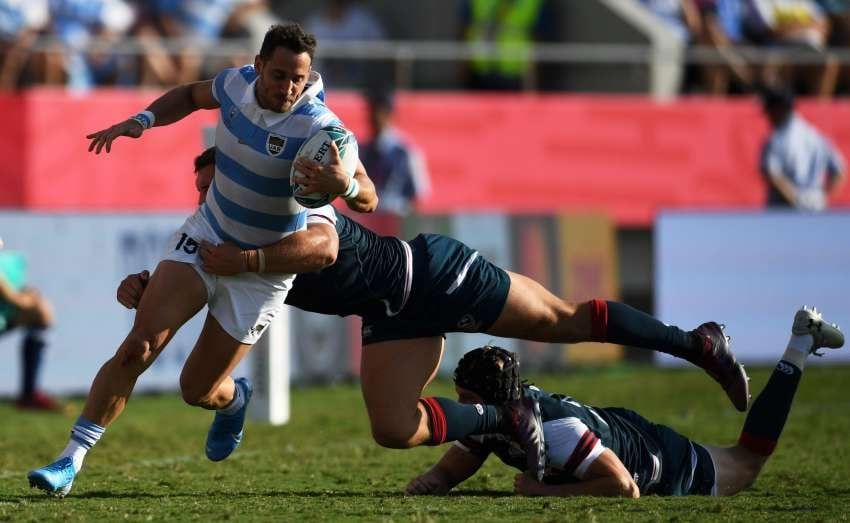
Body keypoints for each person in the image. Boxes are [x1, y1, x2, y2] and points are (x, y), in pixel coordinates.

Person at [117, 145, 751, 486]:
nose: (207, 197)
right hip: (391, 316)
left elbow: (358, 198)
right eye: (200, 190)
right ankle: (507, 417)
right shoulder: (211, 236)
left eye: (214, 184)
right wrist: (145, 289)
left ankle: (695, 343)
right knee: (393, 430)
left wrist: (343, 182)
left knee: (565, 320)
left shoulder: (286, 202)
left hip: (431, 273)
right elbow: (192, 285)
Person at [27, 22, 377, 498]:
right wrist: (144, 120)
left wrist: (347, 187)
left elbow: (367, 198)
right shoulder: (234, 85)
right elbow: (191, 96)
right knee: (139, 346)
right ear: (258, 66)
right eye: (278, 75)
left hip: (263, 270)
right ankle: (69, 461)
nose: (288, 88)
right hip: (208, 235)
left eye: (298, 78)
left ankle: (233, 403)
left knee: (198, 390)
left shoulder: (321, 128)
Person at [405, 307, 844, 497]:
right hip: (619, 428)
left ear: (490, 398)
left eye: (468, 401)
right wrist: (431, 481)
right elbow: (450, 469)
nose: (465, 410)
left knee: (746, 465)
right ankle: (801, 344)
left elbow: (622, 488)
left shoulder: (556, 432)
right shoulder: (500, 413)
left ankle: (799, 345)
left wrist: (542, 491)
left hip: (662, 461)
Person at [760, 86, 846, 211]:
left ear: (778, 109)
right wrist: (822, 197)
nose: (768, 117)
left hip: (784, 212)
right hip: (815, 205)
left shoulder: (776, 139)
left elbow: (772, 175)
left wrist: (796, 200)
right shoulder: (815, 136)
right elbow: (839, 171)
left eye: (769, 111)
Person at [0, 251, 58, 410]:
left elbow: (17, 293)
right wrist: (30, 297)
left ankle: (29, 395)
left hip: (4, 317)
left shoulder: (11, 262)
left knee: (41, 313)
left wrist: (29, 293)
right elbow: (17, 300)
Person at [359, 89, 430, 217]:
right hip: (368, 223)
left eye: (376, 111)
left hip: (395, 220)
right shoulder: (363, 150)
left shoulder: (405, 151)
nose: (371, 117)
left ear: (388, 114)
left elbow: (418, 196)